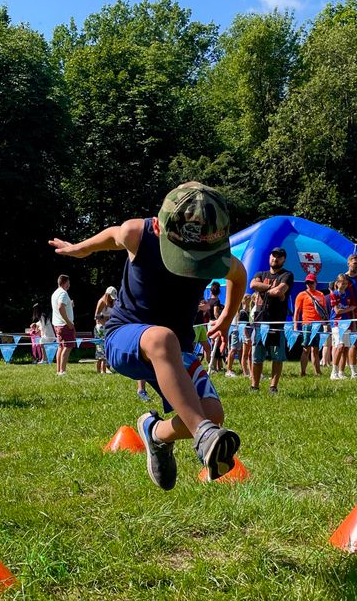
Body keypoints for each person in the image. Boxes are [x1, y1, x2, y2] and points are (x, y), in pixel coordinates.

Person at [49, 181, 244, 488]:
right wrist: (81, 248)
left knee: (212, 413)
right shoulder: (139, 234)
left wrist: (226, 317)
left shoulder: (213, 258)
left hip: (177, 350)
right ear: (160, 227)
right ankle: (203, 436)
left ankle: (156, 433)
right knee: (162, 338)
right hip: (125, 338)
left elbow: (239, 274)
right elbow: (113, 235)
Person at [249, 247, 293, 393]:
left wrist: (266, 289)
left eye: (279, 257)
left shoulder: (287, 275)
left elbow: (279, 291)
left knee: (277, 356)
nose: (275, 258)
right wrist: (270, 287)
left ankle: (273, 387)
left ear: (284, 259)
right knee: (257, 356)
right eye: (273, 256)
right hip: (260, 320)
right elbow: (253, 284)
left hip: (277, 321)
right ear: (269, 258)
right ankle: (254, 386)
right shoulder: (261, 274)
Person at [293, 274, 327, 378]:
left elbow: (324, 311)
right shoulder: (301, 295)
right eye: (307, 282)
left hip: (318, 325)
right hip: (306, 324)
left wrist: (325, 323)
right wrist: (295, 326)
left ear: (316, 283)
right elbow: (297, 312)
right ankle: (303, 372)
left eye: (311, 282)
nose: (309, 284)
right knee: (306, 349)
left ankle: (317, 371)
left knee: (316, 349)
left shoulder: (321, 295)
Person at [328, 274, 353, 379]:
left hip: (347, 323)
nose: (344, 285)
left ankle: (341, 372)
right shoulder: (334, 294)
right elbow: (337, 311)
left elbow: (353, 307)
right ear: (337, 283)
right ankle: (334, 371)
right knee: (340, 346)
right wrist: (350, 309)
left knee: (346, 348)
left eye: (346, 283)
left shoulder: (349, 294)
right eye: (342, 282)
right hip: (337, 323)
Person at [51, 274, 75, 375]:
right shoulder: (63, 293)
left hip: (57, 324)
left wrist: (70, 304)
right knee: (68, 346)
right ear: (65, 283)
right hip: (64, 325)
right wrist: (68, 322)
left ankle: (58, 371)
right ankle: (63, 371)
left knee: (60, 346)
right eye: (68, 282)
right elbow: (60, 307)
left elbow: (61, 306)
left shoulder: (55, 293)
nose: (69, 284)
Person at [94, 286, 117, 374]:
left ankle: (107, 367)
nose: (112, 299)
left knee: (109, 347)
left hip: (110, 327)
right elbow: (96, 316)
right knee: (101, 350)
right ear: (107, 295)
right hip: (101, 328)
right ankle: (101, 370)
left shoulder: (113, 302)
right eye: (111, 297)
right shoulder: (101, 302)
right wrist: (105, 317)